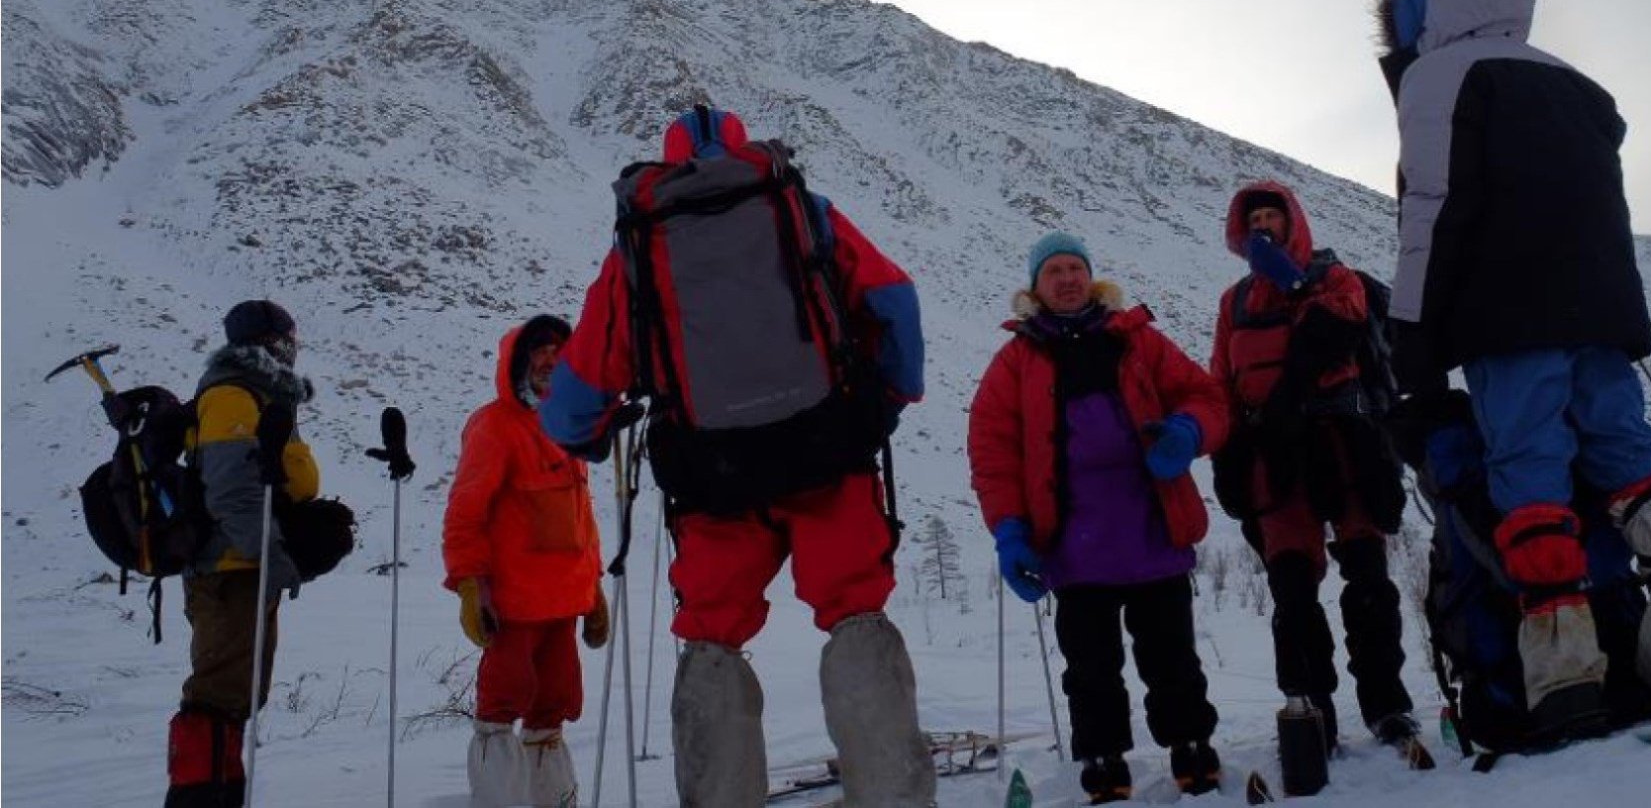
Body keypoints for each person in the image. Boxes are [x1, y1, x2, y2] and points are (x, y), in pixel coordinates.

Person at [1374, 0, 1651, 743]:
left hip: (1508, 318)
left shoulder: (1439, 77)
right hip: (1604, 313)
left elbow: (1429, 211)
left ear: (1436, 5)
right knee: (1631, 466)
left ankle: (1566, 675)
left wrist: (1412, 336)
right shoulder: (1577, 84)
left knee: (1529, 478)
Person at [540, 106, 933, 808]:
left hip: (713, 476)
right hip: (826, 449)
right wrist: (891, 394)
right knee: (854, 611)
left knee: (710, 634)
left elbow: (582, 380)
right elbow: (891, 297)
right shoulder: (799, 208)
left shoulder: (641, 239)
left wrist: (581, 434)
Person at [968, 232, 1229, 804]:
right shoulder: (1014, 363)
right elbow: (993, 453)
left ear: (1091, 278)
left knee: (1172, 657)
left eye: (1074, 268)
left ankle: (1191, 746)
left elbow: (1206, 398)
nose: (1066, 279)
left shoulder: (1138, 342)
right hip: (1072, 545)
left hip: (1151, 530)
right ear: (1035, 288)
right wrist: (1010, 531)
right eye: (1053, 271)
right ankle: (1103, 759)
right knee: (1090, 668)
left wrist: (1187, 431)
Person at [1208, 182, 1420, 765]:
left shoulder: (1333, 278)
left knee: (1368, 580)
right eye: (1255, 220)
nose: (1265, 226)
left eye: (1274, 215)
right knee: (1292, 588)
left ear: (1292, 221)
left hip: (1342, 442)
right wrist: (1227, 452)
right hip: (1273, 455)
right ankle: (1310, 707)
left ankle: (1386, 701)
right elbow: (1222, 377)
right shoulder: (1235, 302)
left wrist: (1297, 286)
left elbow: (1345, 325)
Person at [168, 300, 340, 808]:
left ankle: (224, 794)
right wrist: (275, 557)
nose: (294, 347)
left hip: (246, 570)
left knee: (237, 698)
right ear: (270, 342)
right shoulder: (230, 395)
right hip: (229, 573)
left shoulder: (265, 396)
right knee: (216, 698)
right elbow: (230, 491)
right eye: (288, 338)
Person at [443, 315, 607, 807]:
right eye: (538, 351)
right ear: (517, 362)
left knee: (552, 708)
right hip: (513, 606)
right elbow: (465, 512)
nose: (550, 360)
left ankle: (553, 799)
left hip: (562, 604)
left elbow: (581, 518)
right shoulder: (495, 426)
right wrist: (471, 584)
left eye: (559, 349)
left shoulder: (567, 428)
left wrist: (593, 589)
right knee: (500, 709)